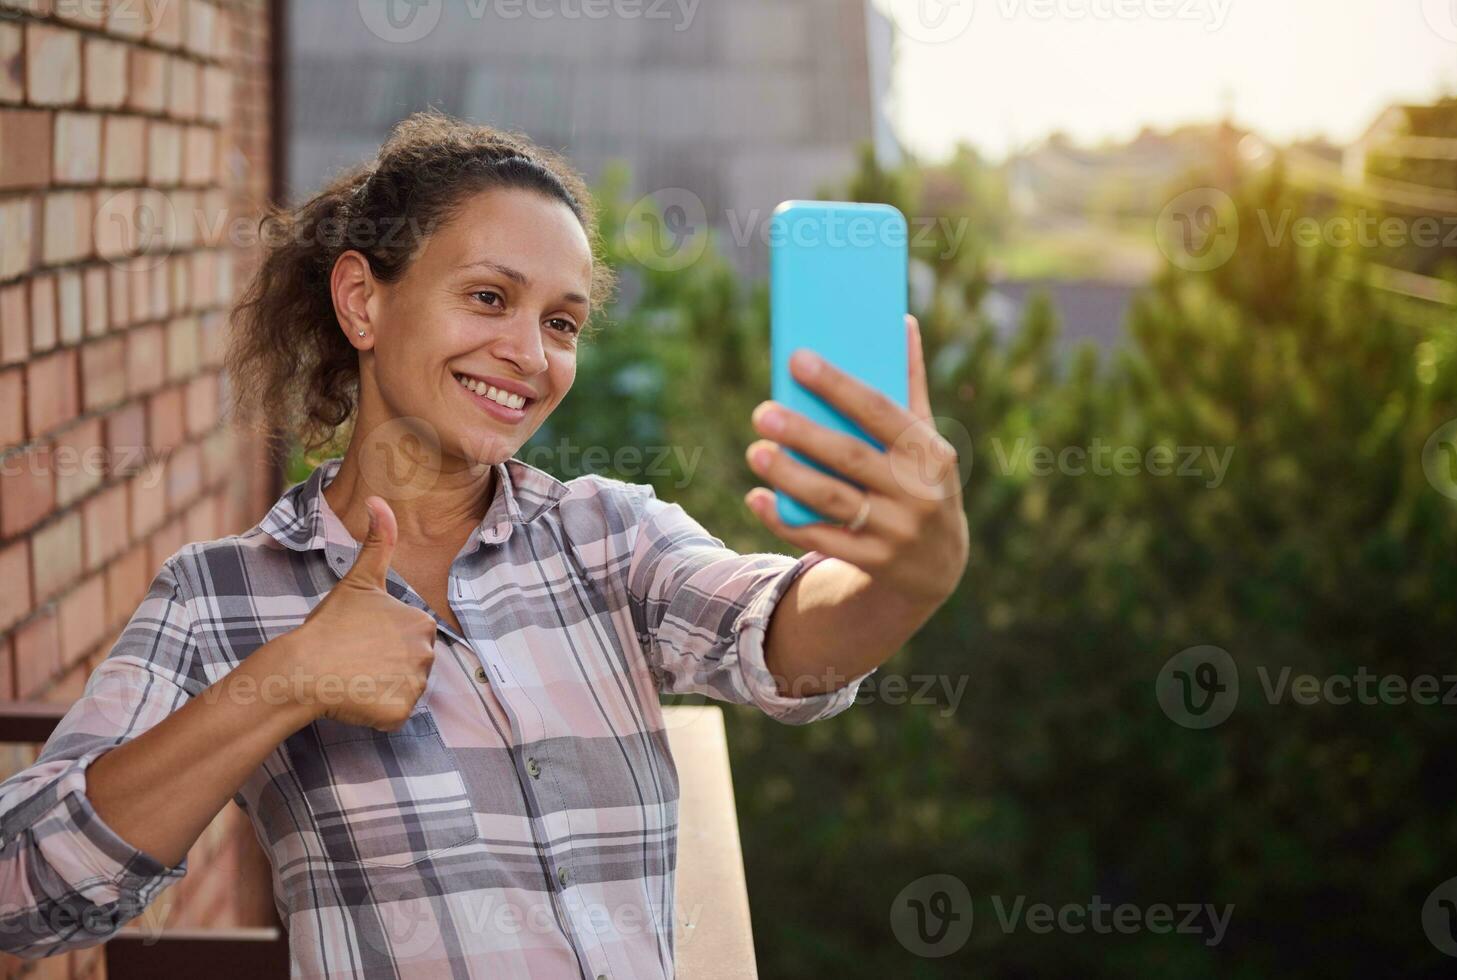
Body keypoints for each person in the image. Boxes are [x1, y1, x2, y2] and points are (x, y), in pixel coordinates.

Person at [0, 109, 968, 977]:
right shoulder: (220, 594)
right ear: (363, 301)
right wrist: (289, 678)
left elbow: (782, 643)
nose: (531, 355)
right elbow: (23, 892)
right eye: (490, 298)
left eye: (562, 322)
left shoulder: (609, 532)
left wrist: (908, 576)